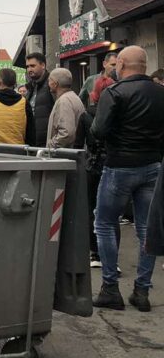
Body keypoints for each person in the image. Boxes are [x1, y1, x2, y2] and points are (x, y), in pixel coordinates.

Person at [90, 46, 164, 312]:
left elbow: (98, 131)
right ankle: (141, 292)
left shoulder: (114, 92)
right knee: (146, 228)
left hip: (119, 166)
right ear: (144, 65)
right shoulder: (160, 93)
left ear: (120, 64)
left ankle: (110, 288)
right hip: (152, 165)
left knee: (105, 224)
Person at [74, 79, 120, 269]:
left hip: (92, 166)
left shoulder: (86, 115)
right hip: (115, 165)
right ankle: (113, 257)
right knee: (113, 214)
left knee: (92, 209)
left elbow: (78, 145)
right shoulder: (120, 115)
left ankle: (95, 253)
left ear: (94, 95)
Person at [46, 68, 85, 149]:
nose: (48, 83)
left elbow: (66, 134)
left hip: (64, 156)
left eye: (49, 80)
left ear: (55, 84)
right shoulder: (74, 97)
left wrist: (50, 147)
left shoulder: (64, 101)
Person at [26, 52, 54, 147]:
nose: (29, 69)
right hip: (33, 141)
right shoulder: (31, 87)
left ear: (43, 65)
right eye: (27, 66)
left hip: (47, 142)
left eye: (32, 66)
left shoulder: (52, 84)